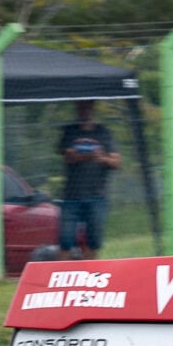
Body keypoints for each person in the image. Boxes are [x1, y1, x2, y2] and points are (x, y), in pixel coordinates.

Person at [54, 101, 118, 259]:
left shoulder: (103, 132)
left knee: (93, 239)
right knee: (66, 238)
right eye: (81, 107)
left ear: (92, 108)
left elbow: (115, 162)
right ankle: (60, 276)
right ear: (77, 108)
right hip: (72, 196)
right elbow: (69, 156)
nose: (84, 110)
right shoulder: (70, 131)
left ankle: (90, 275)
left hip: (96, 195)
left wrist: (100, 157)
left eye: (87, 106)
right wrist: (87, 156)